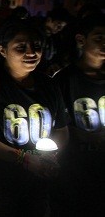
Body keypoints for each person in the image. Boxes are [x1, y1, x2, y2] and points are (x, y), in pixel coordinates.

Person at [0, 19, 69, 216]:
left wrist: (50, 156)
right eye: (21, 47)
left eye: (36, 46)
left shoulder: (49, 85)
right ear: (2, 50)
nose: (31, 52)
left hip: (38, 181)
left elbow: (62, 130)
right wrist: (24, 158)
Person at [52, 13, 105, 215]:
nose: (104, 44)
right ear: (81, 40)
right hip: (75, 167)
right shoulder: (64, 80)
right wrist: (85, 135)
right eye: (98, 38)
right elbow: (56, 125)